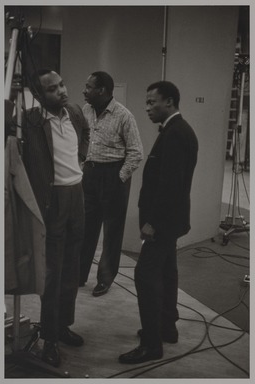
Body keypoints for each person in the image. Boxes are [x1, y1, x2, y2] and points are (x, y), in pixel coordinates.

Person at [7, 69, 90, 367]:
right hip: (52, 201)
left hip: (77, 197)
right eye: (53, 89)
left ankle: (63, 325)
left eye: (62, 84)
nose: (62, 91)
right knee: (52, 273)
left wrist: (81, 158)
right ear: (41, 95)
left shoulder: (76, 112)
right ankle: (50, 339)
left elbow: (86, 134)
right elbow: (8, 136)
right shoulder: (30, 121)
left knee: (72, 269)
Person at [119, 81, 198, 364]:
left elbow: (170, 186)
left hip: (162, 221)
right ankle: (166, 327)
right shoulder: (176, 130)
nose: (148, 107)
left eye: (153, 102)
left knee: (145, 274)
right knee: (167, 271)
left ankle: (152, 345)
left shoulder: (176, 134)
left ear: (170, 102)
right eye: (148, 102)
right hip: (171, 220)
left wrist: (152, 222)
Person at [79, 71, 143, 297]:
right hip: (90, 173)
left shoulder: (124, 116)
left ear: (102, 90)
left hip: (113, 175)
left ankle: (104, 279)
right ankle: (79, 274)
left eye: (88, 87)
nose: (84, 90)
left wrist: (119, 177)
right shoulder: (85, 111)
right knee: (86, 226)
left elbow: (136, 153)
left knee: (112, 231)